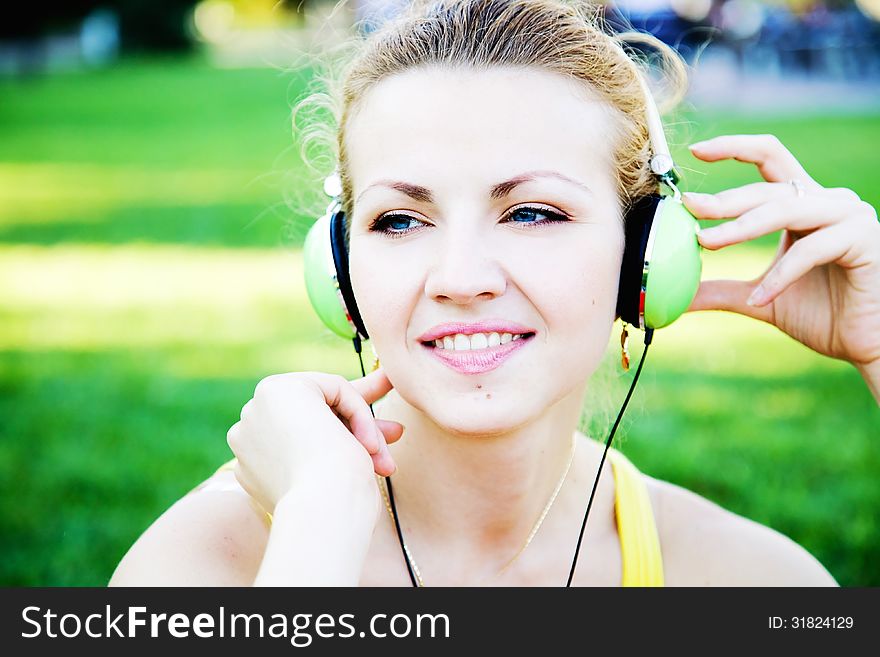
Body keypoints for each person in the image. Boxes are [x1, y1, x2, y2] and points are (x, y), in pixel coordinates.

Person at [108, 0, 880, 587]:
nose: (461, 277)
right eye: (401, 219)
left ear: (645, 254)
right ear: (339, 267)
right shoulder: (205, 563)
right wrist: (319, 530)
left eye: (532, 212)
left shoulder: (742, 578)